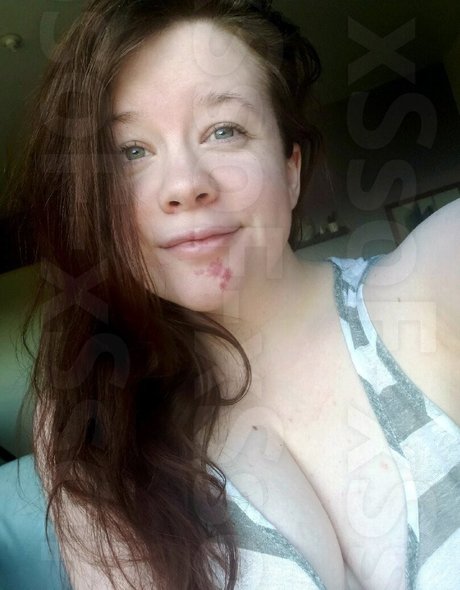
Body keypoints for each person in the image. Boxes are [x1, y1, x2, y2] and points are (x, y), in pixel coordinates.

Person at [0, 0, 458, 589]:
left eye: (224, 130)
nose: (184, 185)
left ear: (290, 169)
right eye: (130, 151)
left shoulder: (439, 276)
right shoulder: (92, 419)